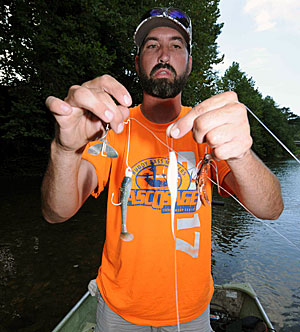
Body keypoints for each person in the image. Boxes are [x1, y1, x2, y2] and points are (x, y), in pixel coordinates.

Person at [41, 7, 283, 332]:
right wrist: (65, 149)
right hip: (118, 313)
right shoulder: (111, 128)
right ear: (138, 61)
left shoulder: (208, 130)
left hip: (193, 313)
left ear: (190, 63)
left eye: (177, 45)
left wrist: (241, 155)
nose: (165, 54)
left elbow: (271, 208)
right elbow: (56, 212)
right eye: (152, 45)